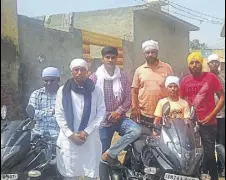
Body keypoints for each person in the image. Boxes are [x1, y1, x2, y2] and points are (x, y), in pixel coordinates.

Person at [90, 46, 141, 166]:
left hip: (120, 118)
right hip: (102, 121)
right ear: (102, 59)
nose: (110, 60)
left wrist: (118, 112)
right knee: (101, 156)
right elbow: (91, 101)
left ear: (117, 59)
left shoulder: (123, 77)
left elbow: (128, 98)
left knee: (135, 131)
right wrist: (107, 114)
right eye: (107, 57)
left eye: (113, 57)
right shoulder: (94, 78)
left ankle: (111, 153)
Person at [55, 59, 106, 180]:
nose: (79, 72)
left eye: (82, 69)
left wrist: (86, 131)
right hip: (69, 139)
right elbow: (59, 114)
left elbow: (101, 112)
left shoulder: (96, 90)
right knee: (70, 173)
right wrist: (70, 134)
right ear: (71, 72)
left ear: (87, 71)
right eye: (76, 70)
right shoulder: (63, 90)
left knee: (90, 173)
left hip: (90, 138)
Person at [180, 52, 225, 180]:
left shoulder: (211, 77)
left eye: (197, 62)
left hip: (208, 123)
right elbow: (181, 102)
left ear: (202, 63)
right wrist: (186, 119)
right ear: (188, 65)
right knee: (191, 155)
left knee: (210, 154)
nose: (194, 65)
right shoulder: (184, 81)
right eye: (191, 63)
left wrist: (212, 115)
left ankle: (214, 176)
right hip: (190, 124)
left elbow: (222, 97)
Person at [131, 39, 173, 123]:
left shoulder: (167, 68)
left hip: (164, 113)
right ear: (144, 54)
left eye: (153, 52)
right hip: (144, 114)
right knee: (146, 136)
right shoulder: (139, 70)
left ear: (157, 52)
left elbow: (173, 88)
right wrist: (134, 108)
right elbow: (134, 91)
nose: (150, 54)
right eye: (147, 52)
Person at [27, 67, 60, 140]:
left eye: (52, 80)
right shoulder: (36, 94)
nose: (49, 83)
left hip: (58, 136)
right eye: (46, 80)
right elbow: (32, 114)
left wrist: (40, 113)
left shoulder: (64, 95)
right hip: (38, 135)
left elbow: (64, 115)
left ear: (58, 80)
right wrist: (52, 111)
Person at [207, 54, 225, 176]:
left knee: (221, 143)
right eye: (212, 62)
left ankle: (221, 166)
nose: (214, 64)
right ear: (208, 64)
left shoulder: (223, 77)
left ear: (219, 64)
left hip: (222, 116)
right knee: (208, 143)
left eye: (216, 62)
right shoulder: (204, 77)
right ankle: (208, 167)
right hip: (207, 116)